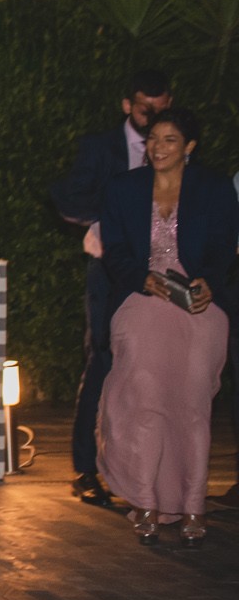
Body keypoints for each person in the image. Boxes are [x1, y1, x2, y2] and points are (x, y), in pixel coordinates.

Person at [98, 109, 236, 548]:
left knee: (193, 405)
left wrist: (208, 281)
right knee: (147, 401)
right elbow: (114, 249)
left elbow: (223, 246)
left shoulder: (215, 187)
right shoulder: (123, 188)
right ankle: (146, 501)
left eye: (169, 139)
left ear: (189, 146)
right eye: (153, 138)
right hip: (142, 298)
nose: (157, 147)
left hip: (198, 303)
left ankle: (194, 505)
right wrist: (142, 278)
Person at [50, 70, 172, 508]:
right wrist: (115, 214)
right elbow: (66, 197)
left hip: (161, 270)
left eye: (159, 109)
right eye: (143, 109)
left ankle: (143, 467)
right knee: (101, 359)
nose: (151, 116)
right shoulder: (100, 147)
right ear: (127, 105)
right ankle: (85, 468)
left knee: (154, 367)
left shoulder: (173, 147)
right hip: (108, 270)